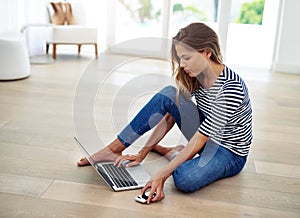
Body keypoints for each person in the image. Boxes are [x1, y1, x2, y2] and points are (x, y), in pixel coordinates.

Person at [77, 22, 252, 204]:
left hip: (229, 152)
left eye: (186, 58)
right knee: (168, 95)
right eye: (180, 58)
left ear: (207, 53)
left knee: (184, 179)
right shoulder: (197, 75)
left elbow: (200, 139)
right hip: (205, 135)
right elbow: (171, 115)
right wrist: (142, 154)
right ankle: (113, 149)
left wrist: (160, 175)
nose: (182, 65)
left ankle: (173, 153)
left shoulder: (231, 89)